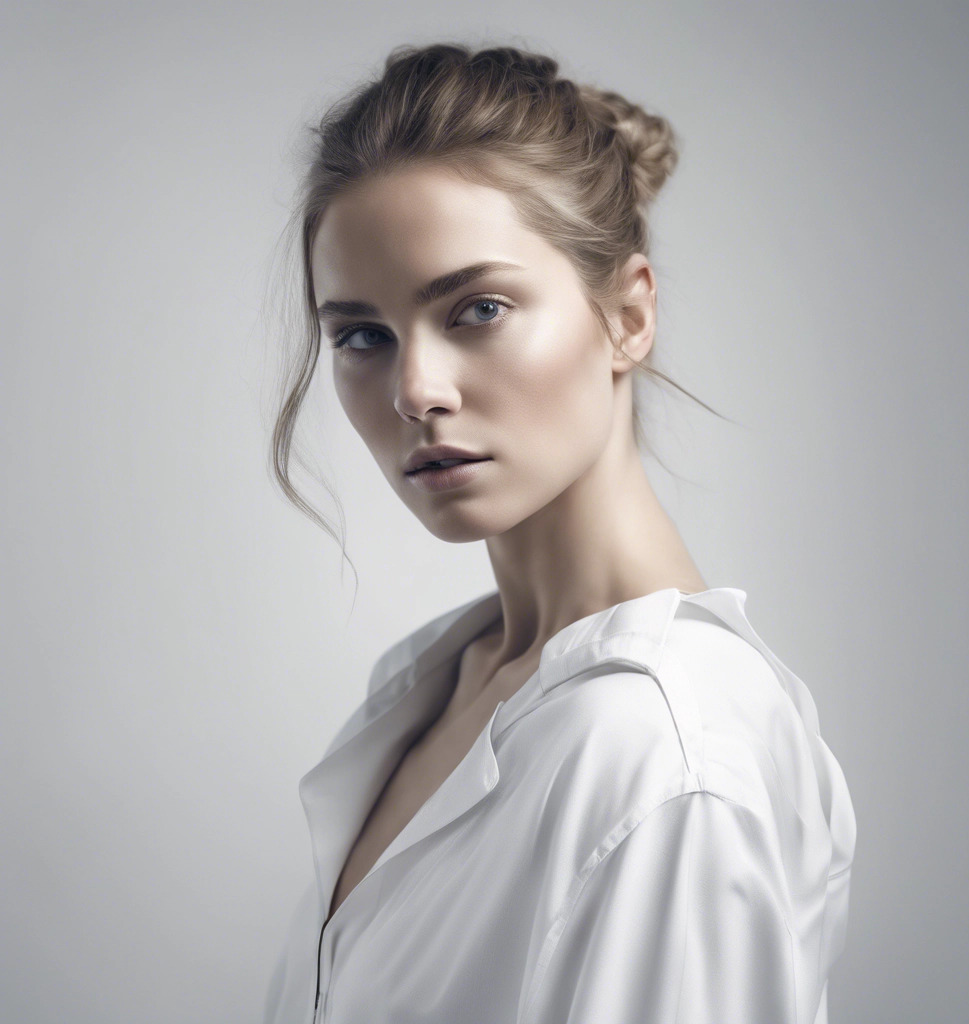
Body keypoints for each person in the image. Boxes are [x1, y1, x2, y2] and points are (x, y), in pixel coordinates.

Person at [262, 42, 857, 1024]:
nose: (416, 390)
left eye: (477, 309)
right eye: (361, 334)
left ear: (628, 314)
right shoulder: (437, 686)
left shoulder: (665, 754)